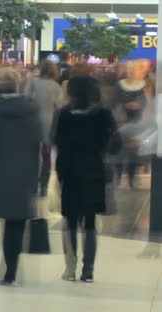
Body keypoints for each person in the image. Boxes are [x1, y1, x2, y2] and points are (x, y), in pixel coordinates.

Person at [0, 68, 42, 286]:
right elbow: (36, 144)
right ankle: (11, 268)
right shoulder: (31, 109)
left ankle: (9, 270)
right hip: (24, 170)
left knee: (6, 222)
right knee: (17, 223)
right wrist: (37, 177)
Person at [54, 76, 119, 283]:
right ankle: (88, 270)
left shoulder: (64, 115)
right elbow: (115, 144)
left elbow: (56, 141)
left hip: (70, 171)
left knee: (70, 221)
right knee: (90, 222)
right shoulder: (103, 114)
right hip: (94, 170)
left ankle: (70, 268)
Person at [25, 61, 63, 196]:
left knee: (31, 154)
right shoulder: (56, 87)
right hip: (49, 122)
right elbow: (59, 107)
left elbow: (26, 99)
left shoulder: (32, 83)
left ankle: (31, 183)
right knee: (46, 155)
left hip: (31, 122)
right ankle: (44, 185)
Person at [114, 59, 154, 189]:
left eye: (135, 70)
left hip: (139, 123)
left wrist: (143, 108)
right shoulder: (119, 85)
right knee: (120, 150)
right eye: (131, 70)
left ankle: (131, 179)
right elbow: (115, 102)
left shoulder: (145, 85)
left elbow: (149, 102)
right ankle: (119, 177)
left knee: (133, 152)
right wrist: (125, 105)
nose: (133, 72)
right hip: (122, 122)